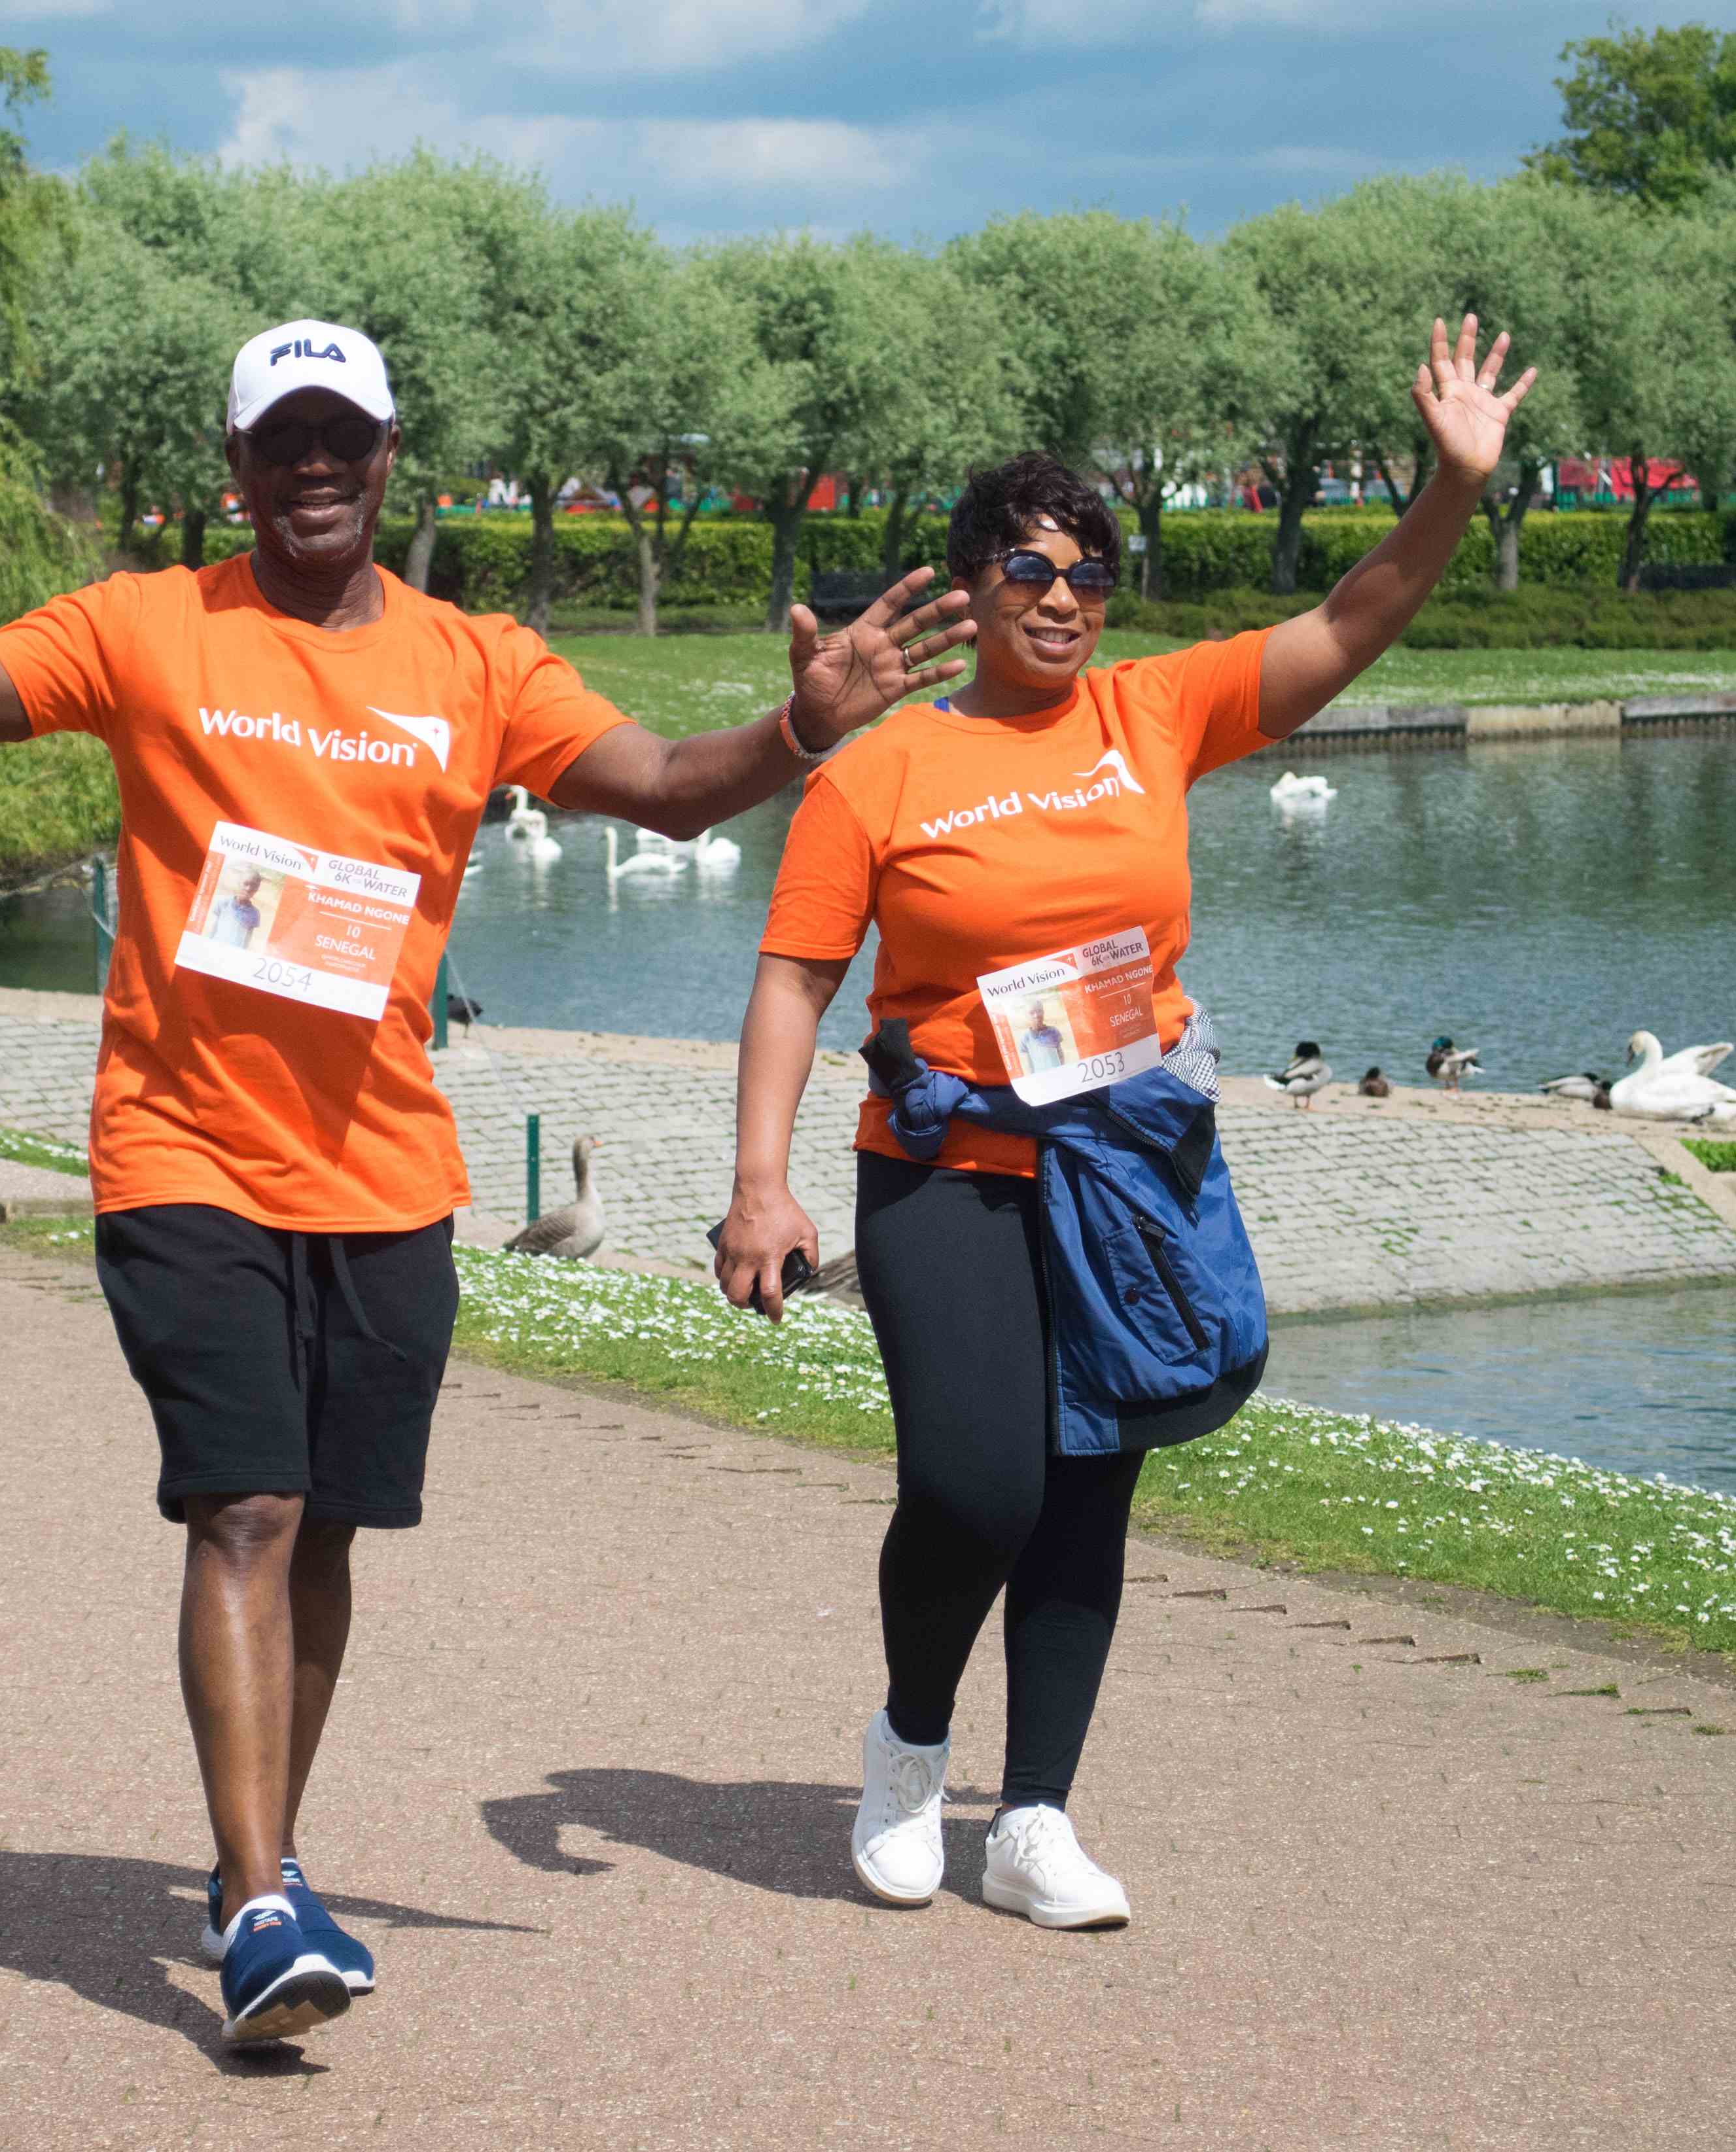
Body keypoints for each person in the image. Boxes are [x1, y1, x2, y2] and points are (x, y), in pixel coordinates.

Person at [0, 323, 972, 2044]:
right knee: (244, 1507)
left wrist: (799, 726)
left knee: (323, 1531)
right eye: (285, 444)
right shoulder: (143, 624)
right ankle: (264, 1895)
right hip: (180, 1148)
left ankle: (250, 1861)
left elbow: (656, 792)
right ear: (239, 470)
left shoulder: (471, 661)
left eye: (343, 439)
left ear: (388, 458)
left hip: (383, 1174)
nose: (315, 469)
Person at [712, 317, 1534, 1931]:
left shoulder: (1152, 714)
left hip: (1129, 1167)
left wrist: (1449, 484)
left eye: (1089, 568)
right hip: (943, 1167)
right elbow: (794, 983)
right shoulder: (875, 778)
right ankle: (906, 1745)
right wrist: (760, 1183)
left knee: (1091, 1477)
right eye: (1028, 567)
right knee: (973, 1483)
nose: (1064, 595)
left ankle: (1031, 1816)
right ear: (968, 586)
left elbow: (1352, 614)